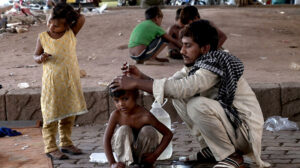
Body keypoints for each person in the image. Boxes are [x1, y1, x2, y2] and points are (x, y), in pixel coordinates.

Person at [110, 20, 270, 168]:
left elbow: (184, 87)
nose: (181, 50)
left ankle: (231, 156)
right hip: (232, 128)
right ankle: (211, 150)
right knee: (178, 97)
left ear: (205, 48)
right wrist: (141, 77)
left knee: (196, 105)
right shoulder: (196, 65)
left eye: (188, 45)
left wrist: (137, 83)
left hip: (243, 132)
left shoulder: (214, 65)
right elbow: (171, 86)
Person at [33, 3, 88, 160]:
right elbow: (35, 56)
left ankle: (66, 142)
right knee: (51, 114)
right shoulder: (43, 37)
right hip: (52, 84)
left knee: (68, 114)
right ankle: (50, 146)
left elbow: (82, 18)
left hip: (70, 82)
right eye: (50, 21)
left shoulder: (71, 32)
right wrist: (40, 58)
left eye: (56, 25)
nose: (51, 26)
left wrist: (67, 12)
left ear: (67, 24)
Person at [104, 87, 173, 168]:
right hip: (124, 159)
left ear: (135, 96)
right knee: (123, 130)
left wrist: (154, 155)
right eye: (116, 100)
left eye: (125, 99)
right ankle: (125, 164)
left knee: (149, 130)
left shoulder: (145, 116)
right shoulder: (116, 115)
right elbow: (106, 139)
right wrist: (112, 163)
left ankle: (145, 165)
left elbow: (168, 134)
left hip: (144, 157)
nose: (121, 104)